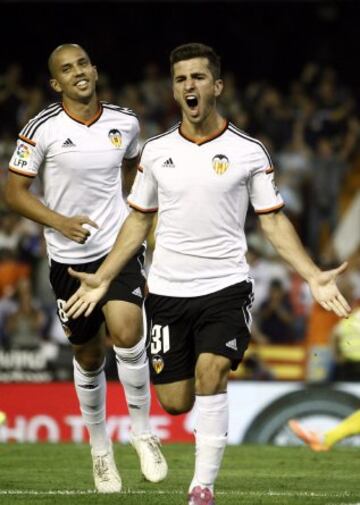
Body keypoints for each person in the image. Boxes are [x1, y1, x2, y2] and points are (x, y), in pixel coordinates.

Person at [64, 43, 351, 505]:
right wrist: (103, 276)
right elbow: (138, 219)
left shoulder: (248, 151)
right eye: (181, 80)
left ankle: (202, 488)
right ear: (174, 91)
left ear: (217, 86)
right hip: (167, 292)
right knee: (176, 402)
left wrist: (313, 275)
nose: (189, 86)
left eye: (198, 78)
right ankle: (188, 436)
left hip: (226, 287)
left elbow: (272, 219)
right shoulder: (156, 153)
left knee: (211, 373)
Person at [5, 43, 167, 493]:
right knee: (88, 354)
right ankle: (100, 450)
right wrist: (60, 222)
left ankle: (142, 432)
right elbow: (13, 194)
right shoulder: (41, 130)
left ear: (94, 70)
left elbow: (138, 171)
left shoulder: (126, 121)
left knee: (128, 328)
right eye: (66, 69)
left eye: (82, 64)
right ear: (56, 83)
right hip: (68, 260)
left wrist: (140, 222)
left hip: (118, 250)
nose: (77, 72)